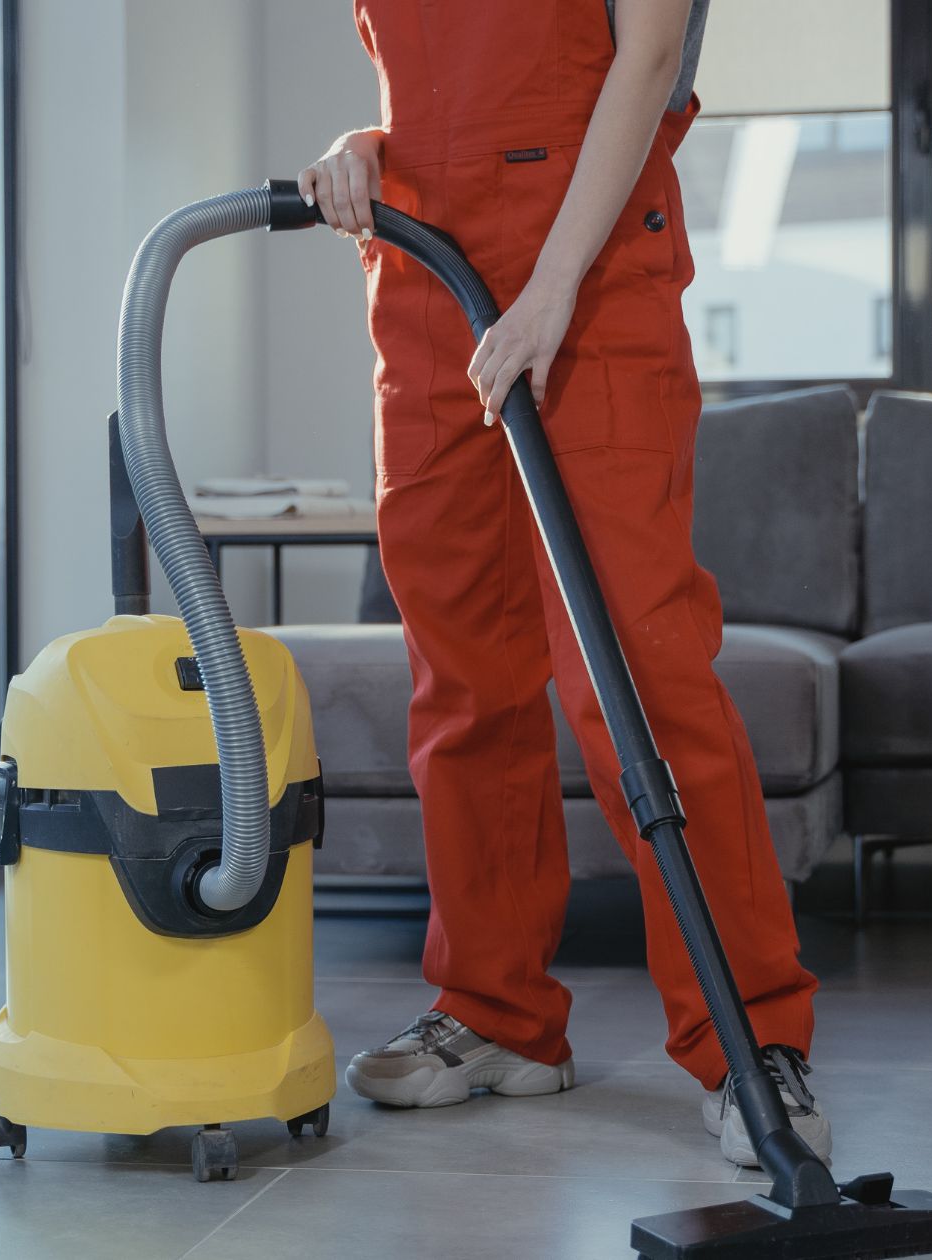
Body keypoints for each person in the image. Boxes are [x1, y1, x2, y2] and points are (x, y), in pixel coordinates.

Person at [297, 0, 827, 1168]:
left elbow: (644, 60)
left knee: (636, 673)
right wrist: (364, 153)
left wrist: (550, 286)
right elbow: (431, 101)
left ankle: (749, 1043)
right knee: (462, 679)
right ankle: (495, 1015)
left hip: (589, 288)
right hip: (428, 288)